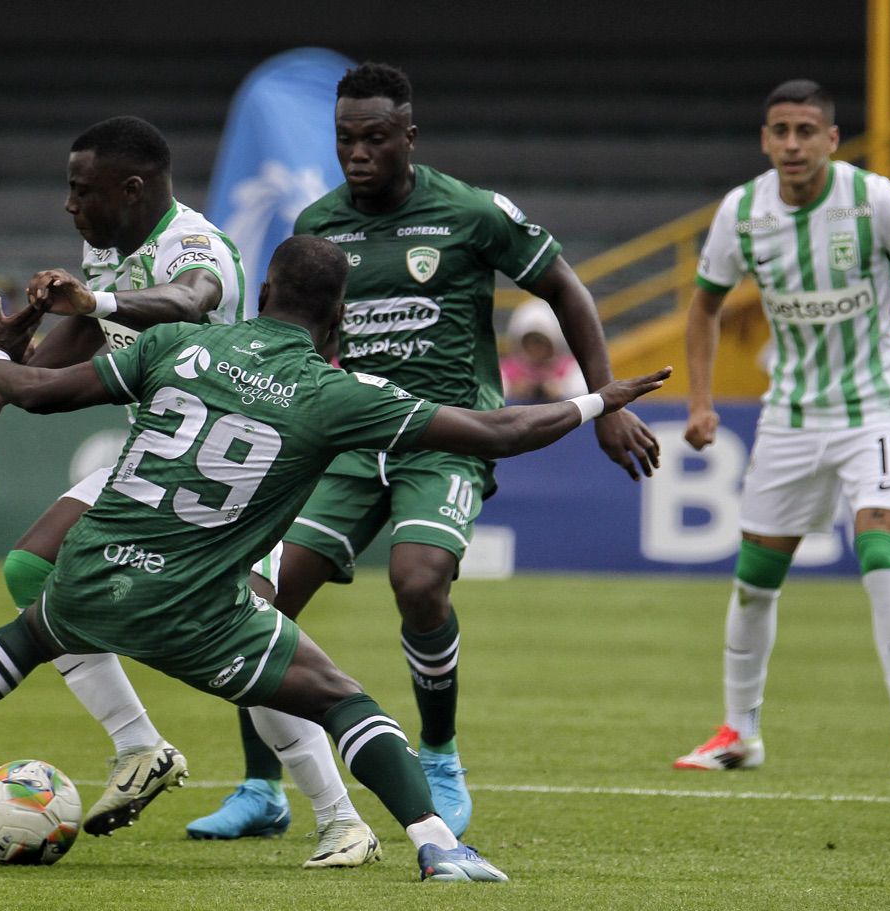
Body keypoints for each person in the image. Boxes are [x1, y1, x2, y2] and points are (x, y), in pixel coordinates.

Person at [0, 233, 672, 883]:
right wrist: (598, 397)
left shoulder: (181, 345)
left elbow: (31, 389)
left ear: (264, 293)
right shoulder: (339, 392)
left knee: (24, 635)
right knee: (342, 698)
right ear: (338, 316)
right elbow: (496, 430)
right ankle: (434, 841)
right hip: (204, 607)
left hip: (100, 571)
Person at [190, 61, 662, 841]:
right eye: (345, 139)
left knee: (419, 580)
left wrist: (602, 401)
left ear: (409, 136)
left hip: (443, 438)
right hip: (346, 439)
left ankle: (439, 754)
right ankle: (262, 786)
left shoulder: (472, 214)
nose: (358, 154)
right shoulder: (318, 222)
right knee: (258, 597)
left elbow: (567, 288)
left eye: (375, 138)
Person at [0, 115, 382, 868]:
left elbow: (186, 300)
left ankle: (342, 817)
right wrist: (12, 385)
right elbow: (85, 337)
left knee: (252, 638)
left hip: (239, 465)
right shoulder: (106, 246)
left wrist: (96, 304)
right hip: (158, 453)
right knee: (33, 568)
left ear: (131, 188)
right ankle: (140, 746)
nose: (70, 205)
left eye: (81, 190)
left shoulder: (196, 246)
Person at [673, 79, 890, 778]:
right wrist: (700, 400)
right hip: (790, 417)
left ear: (832, 140)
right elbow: (704, 307)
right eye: (779, 130)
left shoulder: (877, 202)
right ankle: (738, 733)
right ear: (765, 139)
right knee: (754, 580)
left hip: (876, 408)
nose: (792, 144)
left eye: (806, 131)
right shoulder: (741, 212)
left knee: (880, 554)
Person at [500, 299, 587, 403]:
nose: (537, 349)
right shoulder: (506, 370)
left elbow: (583, 396)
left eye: (542, 343)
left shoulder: (569, 368)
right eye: (532, 342)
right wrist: (512, 390)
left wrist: (562, 390)